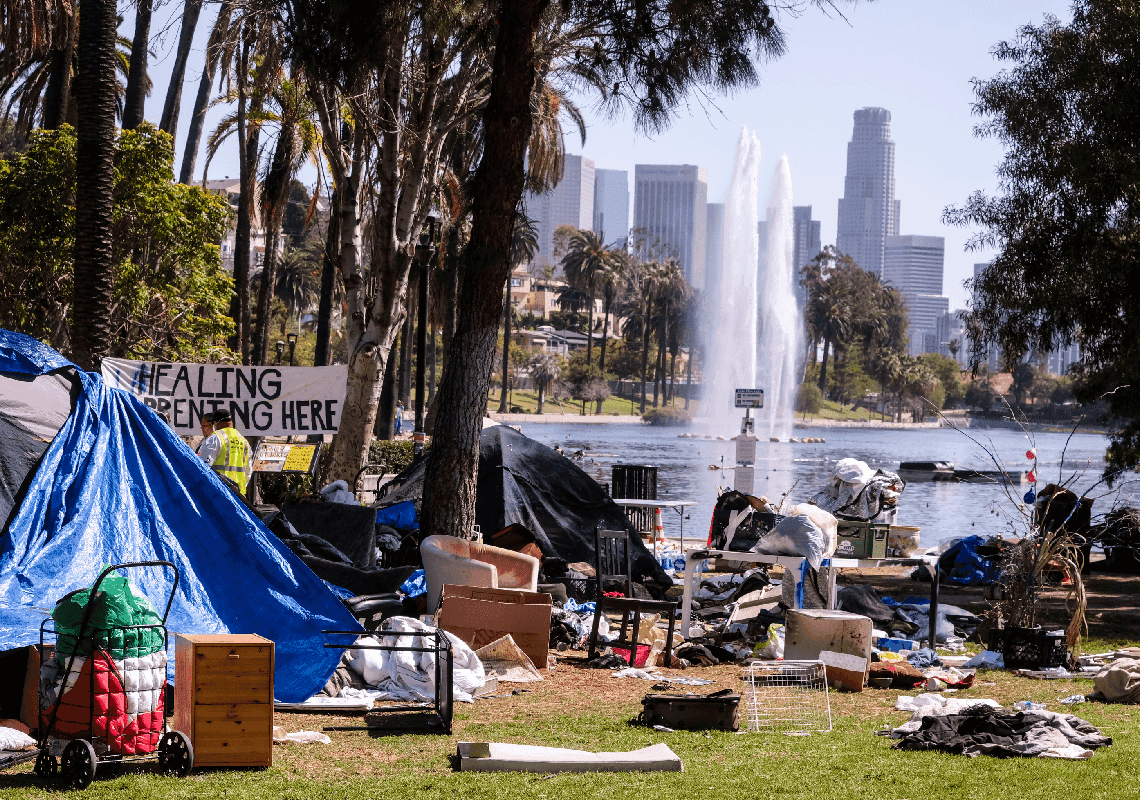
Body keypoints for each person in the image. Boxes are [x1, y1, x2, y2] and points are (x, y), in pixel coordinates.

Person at [197, 409, 253, 495]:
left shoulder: (216, 437)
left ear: (217, 423)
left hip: (220, 493)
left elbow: (203, 466)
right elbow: (248, 471)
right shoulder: (243, 440)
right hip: (239, 496)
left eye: (214, 423)